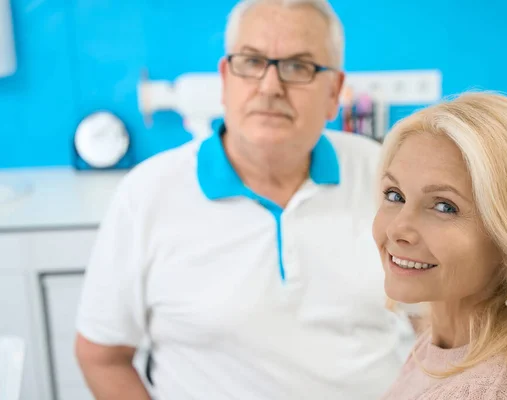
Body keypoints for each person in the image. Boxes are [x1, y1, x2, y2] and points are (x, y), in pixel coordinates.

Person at [74, 0, 412, 399]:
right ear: (225, 79)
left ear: (334, 92)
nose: (270, 87)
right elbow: (102, 355)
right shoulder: (147, 193)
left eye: (298, 66)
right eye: (251, 62)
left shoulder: (387, 178)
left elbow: (440, 325)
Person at [372, 92, 507, 400]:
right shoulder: (442, 344)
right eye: (395, 195)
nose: (398, 228)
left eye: (443, 206)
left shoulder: (484, 392)